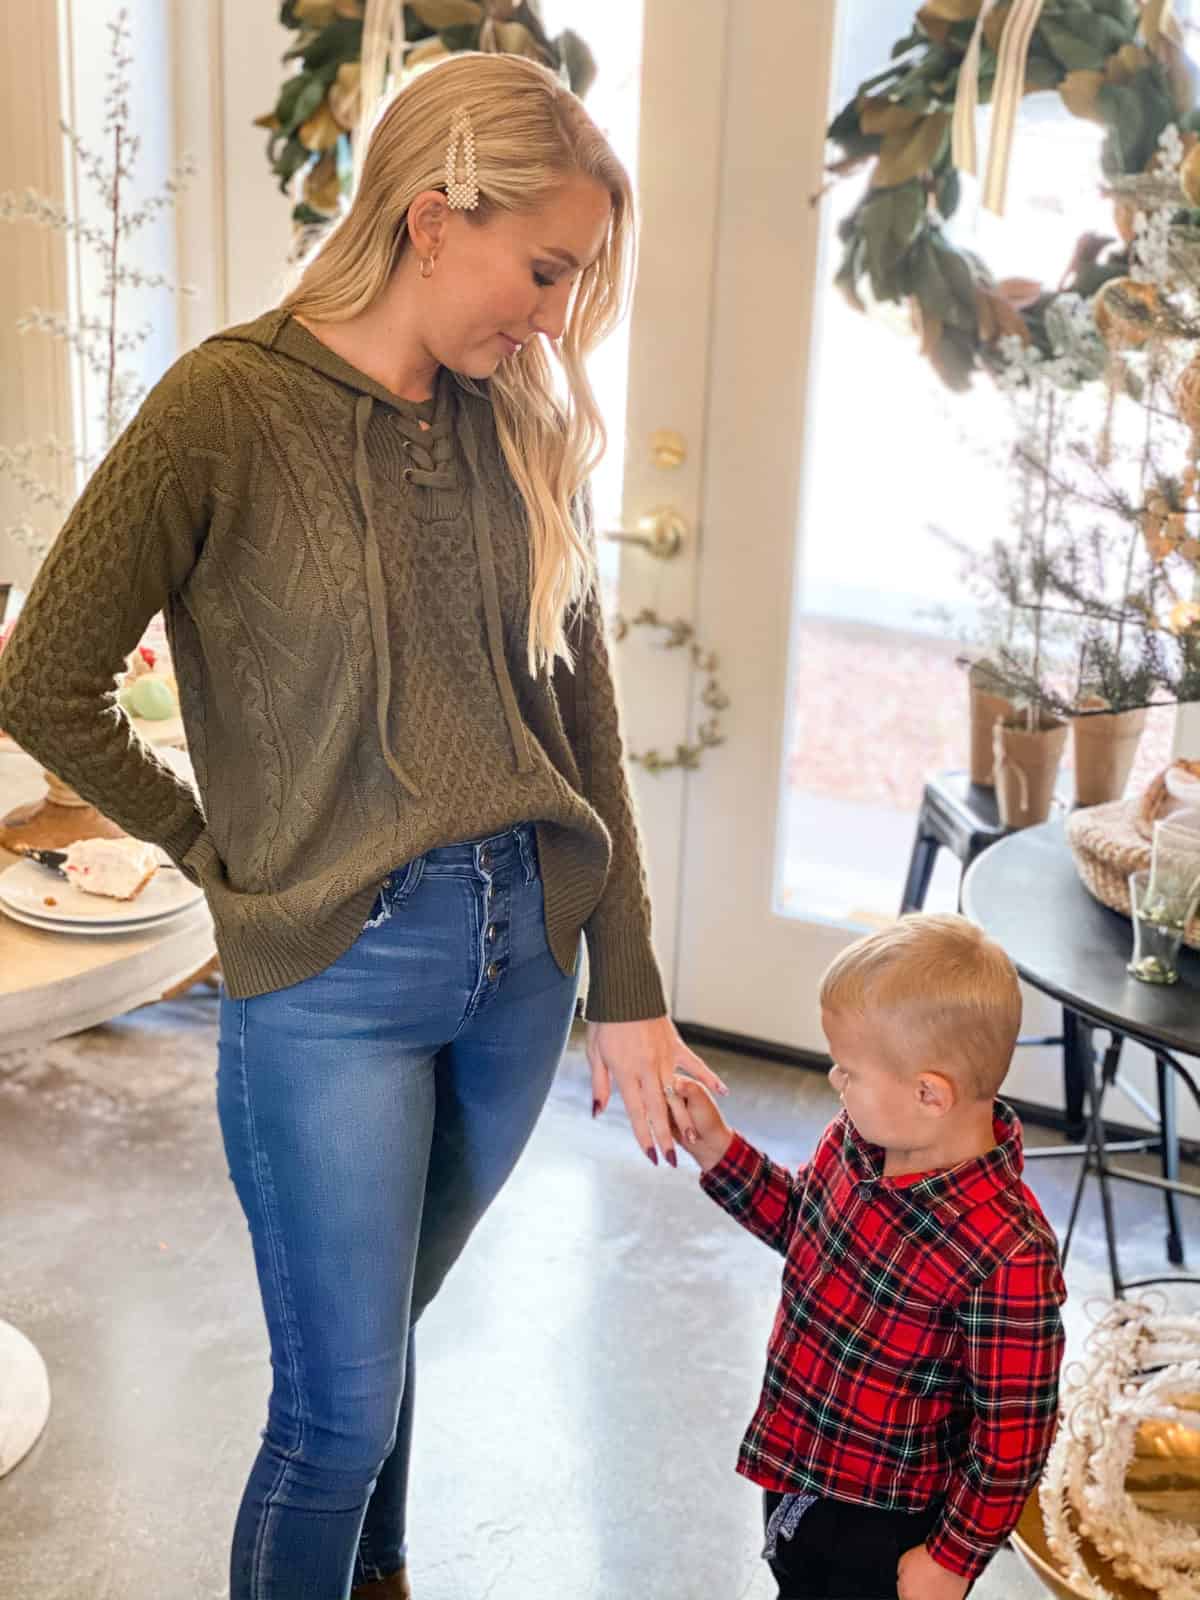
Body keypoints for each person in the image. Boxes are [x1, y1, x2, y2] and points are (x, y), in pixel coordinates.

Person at [0, 51, 726, 1600]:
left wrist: (631, 984)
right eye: (542, 268)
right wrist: (215, 859)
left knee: (382, 1352)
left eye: (575, 277)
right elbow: (46, 678)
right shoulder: (226, 405)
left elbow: (578, 717)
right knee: (334, 1418)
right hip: (333, 977)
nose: (550, 313)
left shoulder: (513, 417)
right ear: (431, 215)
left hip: (520, 957)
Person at [669, 913, 1066, 1600]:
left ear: (929, 1093)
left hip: (888, 1521)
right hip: (805, 1457)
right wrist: (717, 1150)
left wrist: (953, 1557)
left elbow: (1014, 1436)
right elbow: (803, 1223)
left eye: (850, 1070)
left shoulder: (1008, 1254)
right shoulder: (856, 1142)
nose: (833, 1080)